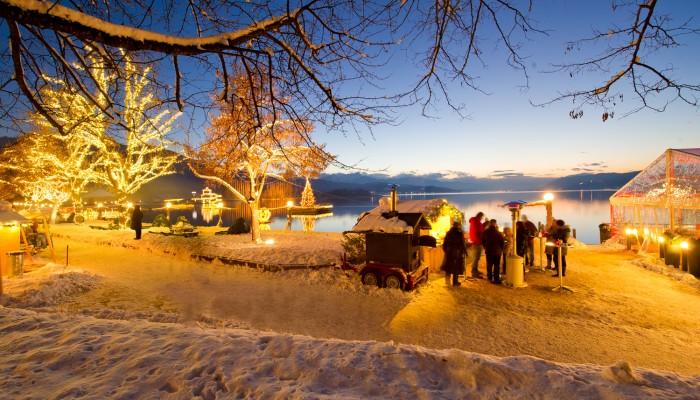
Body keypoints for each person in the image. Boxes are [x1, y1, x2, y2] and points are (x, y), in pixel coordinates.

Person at [440, 221, 467, 286]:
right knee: (456, 267)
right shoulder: (459, 233)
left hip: (449, 251)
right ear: (458, 226)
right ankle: (455, 282)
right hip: (457, 252)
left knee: (448, 266)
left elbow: (445, 243)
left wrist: (446, 250)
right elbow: (462, 244)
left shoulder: (448, 233)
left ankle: (447, 281)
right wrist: (464, 251)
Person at [482, 219, 504, 284]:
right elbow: (502, 242)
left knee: (489, 264)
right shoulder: (498, 232)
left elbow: (483, 241)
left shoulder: (485, 232)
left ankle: (489, 277)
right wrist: (500, 249)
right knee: (496, 265)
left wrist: (485, 247)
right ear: (495, 224)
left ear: (489, 224)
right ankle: (496, 278)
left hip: (488, 250)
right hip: (497, 251)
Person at [468, 212, 485, 278]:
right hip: (477, 242)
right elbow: (480, 232)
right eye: (481, 217)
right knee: (476, 258)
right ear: (480, 216)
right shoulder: (477, 222)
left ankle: (475, 270)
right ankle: (474, 272)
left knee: (476, 258)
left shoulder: (473, 222)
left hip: (475, 241)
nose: (481, 218)